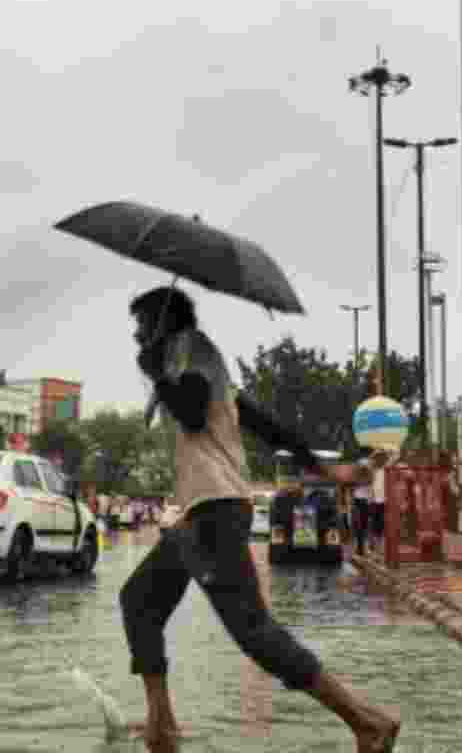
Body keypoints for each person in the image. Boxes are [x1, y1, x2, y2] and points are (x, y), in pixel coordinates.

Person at [120, 286, 401, 753]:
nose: (135, 335)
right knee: (140, 602)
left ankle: (367, 721)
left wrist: (158, 376)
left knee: (253, 631)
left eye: (141, 325)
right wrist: (327, 468)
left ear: (162, 323)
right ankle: (161, 726)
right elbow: (265, 424)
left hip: (213, 512)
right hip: (200, 512)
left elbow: (190, 413)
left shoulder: (191, 354)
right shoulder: (201, 361)